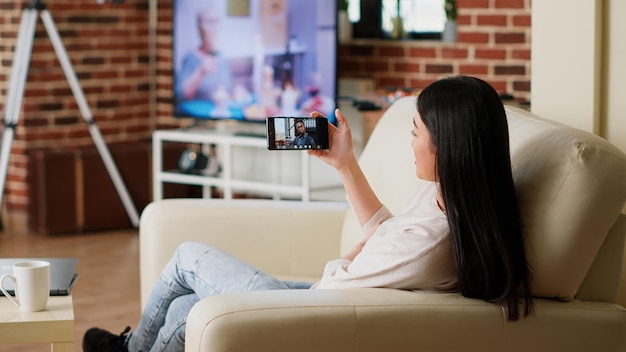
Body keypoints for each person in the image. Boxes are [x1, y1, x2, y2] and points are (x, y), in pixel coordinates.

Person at [82, 75, 533, 352]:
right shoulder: (455, 201)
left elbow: (338, 283)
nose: (408, 142)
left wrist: (354, 253)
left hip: (312, 309)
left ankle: (129, 350)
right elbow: (390, 238)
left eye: (415, 132)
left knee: (186, 257)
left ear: (448, 146)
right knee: (187, 307)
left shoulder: (429, 240)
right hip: (331, 297)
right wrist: (345, 164)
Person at [175, 5, 233, 102]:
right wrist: (201, 72)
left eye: (216, 21)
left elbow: (228, 90)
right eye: (209, 22)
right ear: (199, 27)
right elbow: (181, 95)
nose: (213, 27)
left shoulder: (222, 58)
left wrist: (237, 92)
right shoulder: (190, 58)